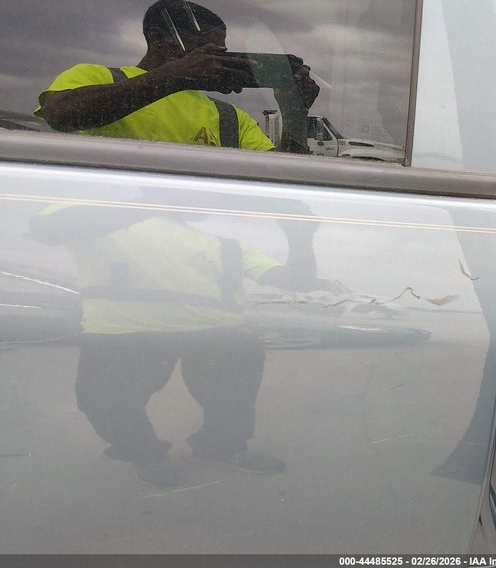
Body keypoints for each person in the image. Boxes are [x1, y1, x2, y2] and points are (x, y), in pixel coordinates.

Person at [29, 203, 298, 487]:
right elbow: (47, 229)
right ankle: (145, 454)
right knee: (105, 399)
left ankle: (219, 447)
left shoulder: (226, 246)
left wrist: (299, 235)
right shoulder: (100, 220)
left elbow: (294, 281)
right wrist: (150, 205)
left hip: (216, 332)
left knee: (232, 391)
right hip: (124, 332)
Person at [35, 0, 319, 151]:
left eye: (222, 52)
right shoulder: (96, 76)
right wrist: (174, 77)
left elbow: (282, 180)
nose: (215, 58)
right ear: (157, 37)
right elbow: (60, 115)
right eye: (206, 49)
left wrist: (294, 112)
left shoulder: (231, 118)